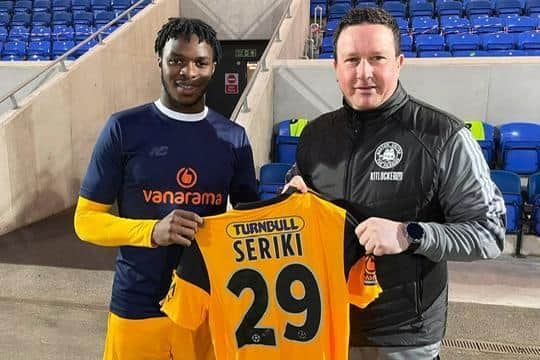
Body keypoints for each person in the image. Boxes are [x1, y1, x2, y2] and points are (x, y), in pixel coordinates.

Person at [284, 7, 506, 360]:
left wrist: (409, 234)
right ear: (335, 67)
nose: (364, 73)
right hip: (323, 326)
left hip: (401, 337)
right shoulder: (315, 136)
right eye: (352, 60)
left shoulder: (442, 135)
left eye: (377, 58)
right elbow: (299, 197)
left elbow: (489, 233)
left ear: (399, 63)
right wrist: (291, 199)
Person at [74, 17, 258, 360]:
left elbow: (250, 221)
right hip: (136, 307)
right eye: (176, 60)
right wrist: (153, 231)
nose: (187, 72)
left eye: (200, 63)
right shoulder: (123, 128)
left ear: (213, 67)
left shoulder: (233, 139)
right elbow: (85, 221)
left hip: (202, 307)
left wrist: (293, 197)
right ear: (159, 59)